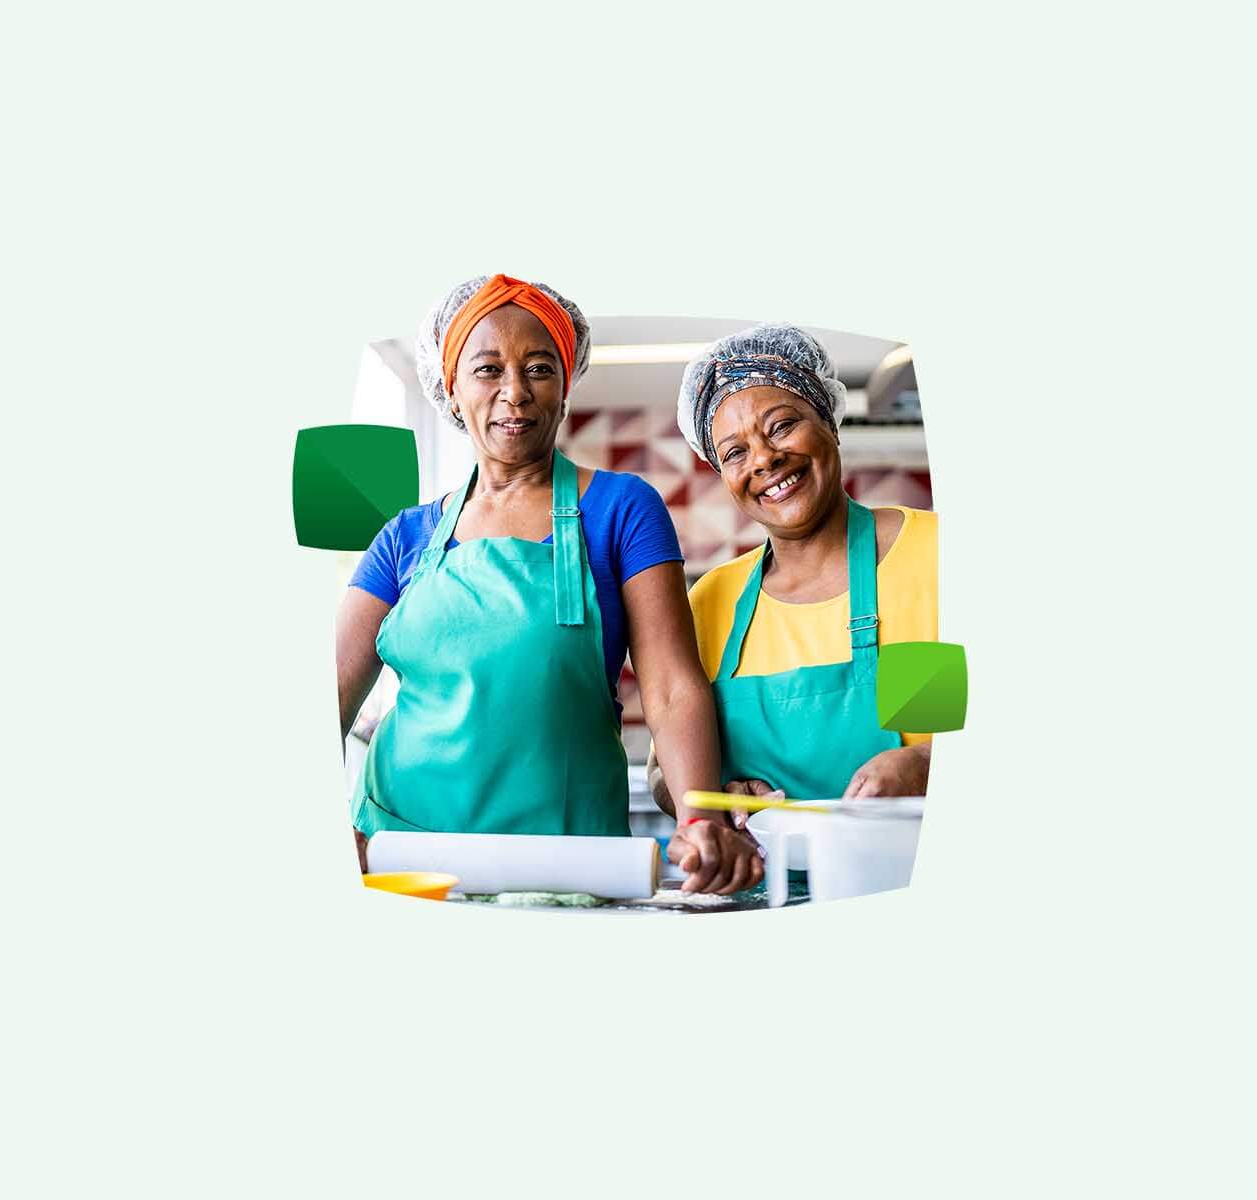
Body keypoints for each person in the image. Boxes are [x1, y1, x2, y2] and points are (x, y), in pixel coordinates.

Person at [338, 275, 757, 895]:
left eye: (538, 368)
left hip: (562, 862)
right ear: (452, 391)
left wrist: (701, 816)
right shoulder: (405, 536)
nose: (515, 392)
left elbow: (670, 687)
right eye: (487, 370)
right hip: (400, 853)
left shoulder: (622, 507)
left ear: (564, 389)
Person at [662, 323, 940, 806]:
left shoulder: (932, 554)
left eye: (782, 426)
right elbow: (665, 775)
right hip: (763, 880)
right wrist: (716, 793)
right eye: (734, 452)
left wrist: (925, 765)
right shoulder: (711, 601)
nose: (765, 459)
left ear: (829, 422)